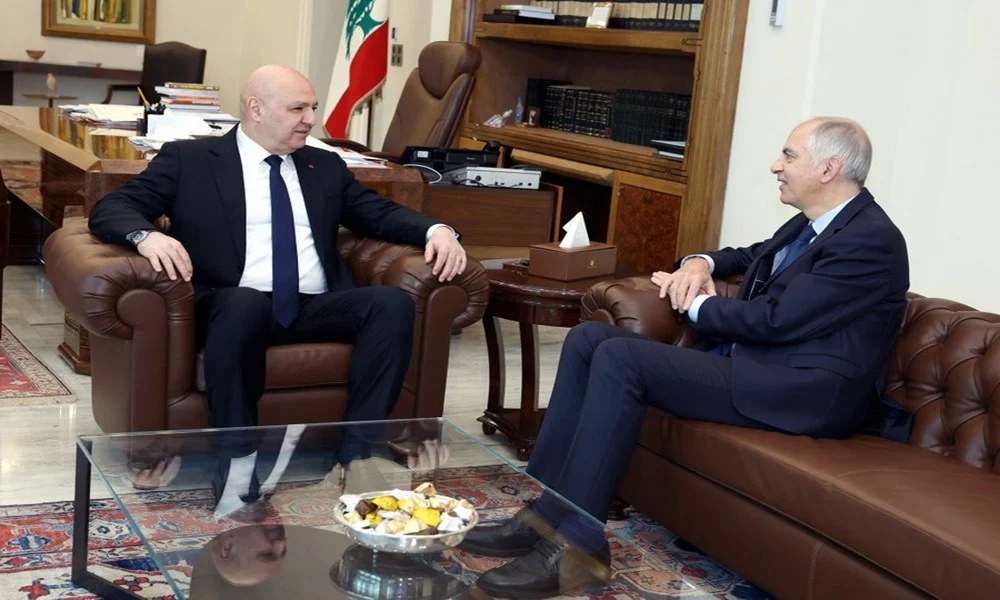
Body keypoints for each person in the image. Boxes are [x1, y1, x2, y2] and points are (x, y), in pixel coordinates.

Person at [463, 117, 909, 598]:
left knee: (623, 359)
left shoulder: (870, 240)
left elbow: (776, 321)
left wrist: (693, 304)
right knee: (588, 339)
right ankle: (546, 514)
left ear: (828, 168)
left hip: (803, 391)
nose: (775, 166)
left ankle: (579, 547)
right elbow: (752, 255)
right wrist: (701, 262)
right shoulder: (815, 224)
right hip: (758, 368)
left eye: (789, 155)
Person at [88, 65, 467, 513]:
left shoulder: (323, 164)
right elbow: (113, 207)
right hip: (231, 305)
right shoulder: (191, 160)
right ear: (256, 109)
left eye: (313, 108)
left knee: (390, 304)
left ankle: (356, 456)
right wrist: (146, 236)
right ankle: (237, 460)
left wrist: (437, 230)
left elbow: (378, 213)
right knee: (243, 303)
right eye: (297, 108)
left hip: (314, 305)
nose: (310, 119)